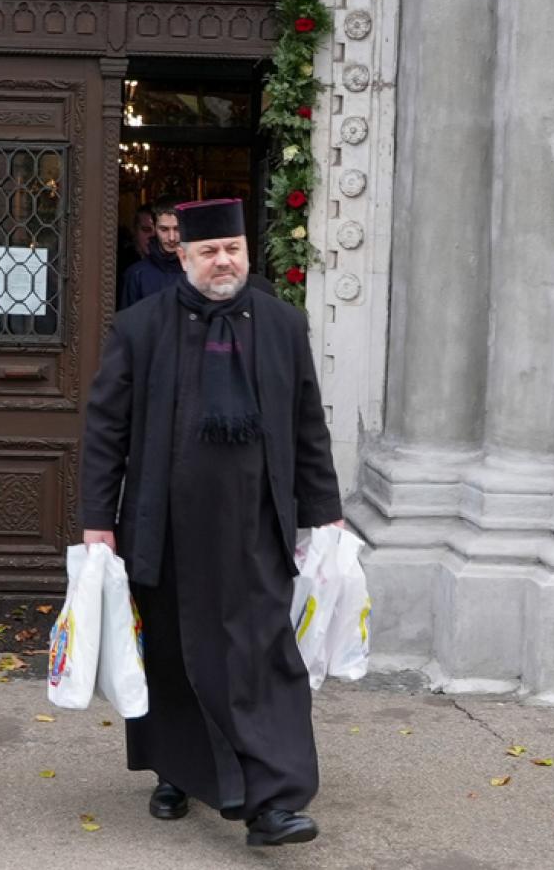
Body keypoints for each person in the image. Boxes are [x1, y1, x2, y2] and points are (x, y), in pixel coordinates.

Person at [80, 198, 343, 847]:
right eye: (209, 251)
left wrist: (325, 514)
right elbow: (106, 430)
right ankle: (176, 773)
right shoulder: (140, 327)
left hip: (257, 526)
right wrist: (97, 521)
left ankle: (275, 802)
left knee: (263, 658)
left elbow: (308, 425)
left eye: (233, 248)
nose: (223, 261)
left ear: (245, 250)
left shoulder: (283, 325)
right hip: (167, 527)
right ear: (183, 256)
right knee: (174, 656)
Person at [119, 197, 183, 309]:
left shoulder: (198, 270)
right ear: (154, 227)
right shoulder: (136, 274)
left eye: (177, 229)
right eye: (164, 229)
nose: (171, 238)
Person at [116, 205, 155, 310]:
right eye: (146, 230)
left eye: (158, 230)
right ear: (135, 231)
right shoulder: (121, 264)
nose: (152, 236)